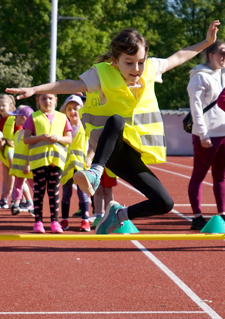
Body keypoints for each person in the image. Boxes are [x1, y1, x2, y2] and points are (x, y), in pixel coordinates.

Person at [6, 20, 220, 234]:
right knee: (117, 119)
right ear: (116, 62)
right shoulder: (103, 75)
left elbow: (179, 56)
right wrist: (34, 89)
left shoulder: (151, 70)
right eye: (129, 63)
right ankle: (94, 172)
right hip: (110, 147)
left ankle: (117, 216)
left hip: (131, 153)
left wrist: (207, 42)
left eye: (140, 62)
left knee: (165, 203)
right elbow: (69, 84)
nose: (136, 69)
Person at [187, 40, 225, 230]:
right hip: (207, 135)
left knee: (221, 177)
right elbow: (196, 108)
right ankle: (197, 216)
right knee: (198, 176)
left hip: (224, 133)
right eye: (222, 52)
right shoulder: (199, 77)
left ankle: (222, 214)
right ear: (211, 54)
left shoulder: (224, 75)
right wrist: (202, 133)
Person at [22, 93, 72, 233]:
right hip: (39, 161)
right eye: (43, 98)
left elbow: (69, 139)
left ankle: (55, 222)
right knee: (39, 191)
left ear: (55, 100)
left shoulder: (62, 117)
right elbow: (26, 139)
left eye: (50, 98)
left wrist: (59, 138)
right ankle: (38, 222)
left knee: (54, 191)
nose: (47, 101)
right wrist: (41, 137)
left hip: (56, 160)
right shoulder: (34, 117)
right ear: (38, 101)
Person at [60, 94, 93, 232]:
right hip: (66, 165)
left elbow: (93, 144)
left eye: (76, 108)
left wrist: (89, 158)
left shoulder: (85, 126)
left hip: (81, 165)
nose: (73, 111)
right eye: (69, 108)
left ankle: (85, 220)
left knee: (82, 193)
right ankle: (64, 220)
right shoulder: (62, 125)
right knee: (66, 193)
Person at [7, 105, 35, 216]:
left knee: (34, 186)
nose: (14, 119)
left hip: (28, 166)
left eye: (16, 117)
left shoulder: (31, 134)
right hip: (18, 166)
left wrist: (28, 164)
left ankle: (36, 204)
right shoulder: (18, 133)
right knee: (18, 185)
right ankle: (17, 202)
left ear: (24, 118)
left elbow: (31, 150)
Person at [0, 94, 22, 208]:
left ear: (11, 106)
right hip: (4, 152)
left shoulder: (14, 120)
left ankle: (17, 199)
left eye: (3, 105)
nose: (1, 107)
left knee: (15, 175)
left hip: (14, 152)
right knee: (6, 175)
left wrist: (6, 142)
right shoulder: (1, 120)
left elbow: (19, 138)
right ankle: (5, 199)